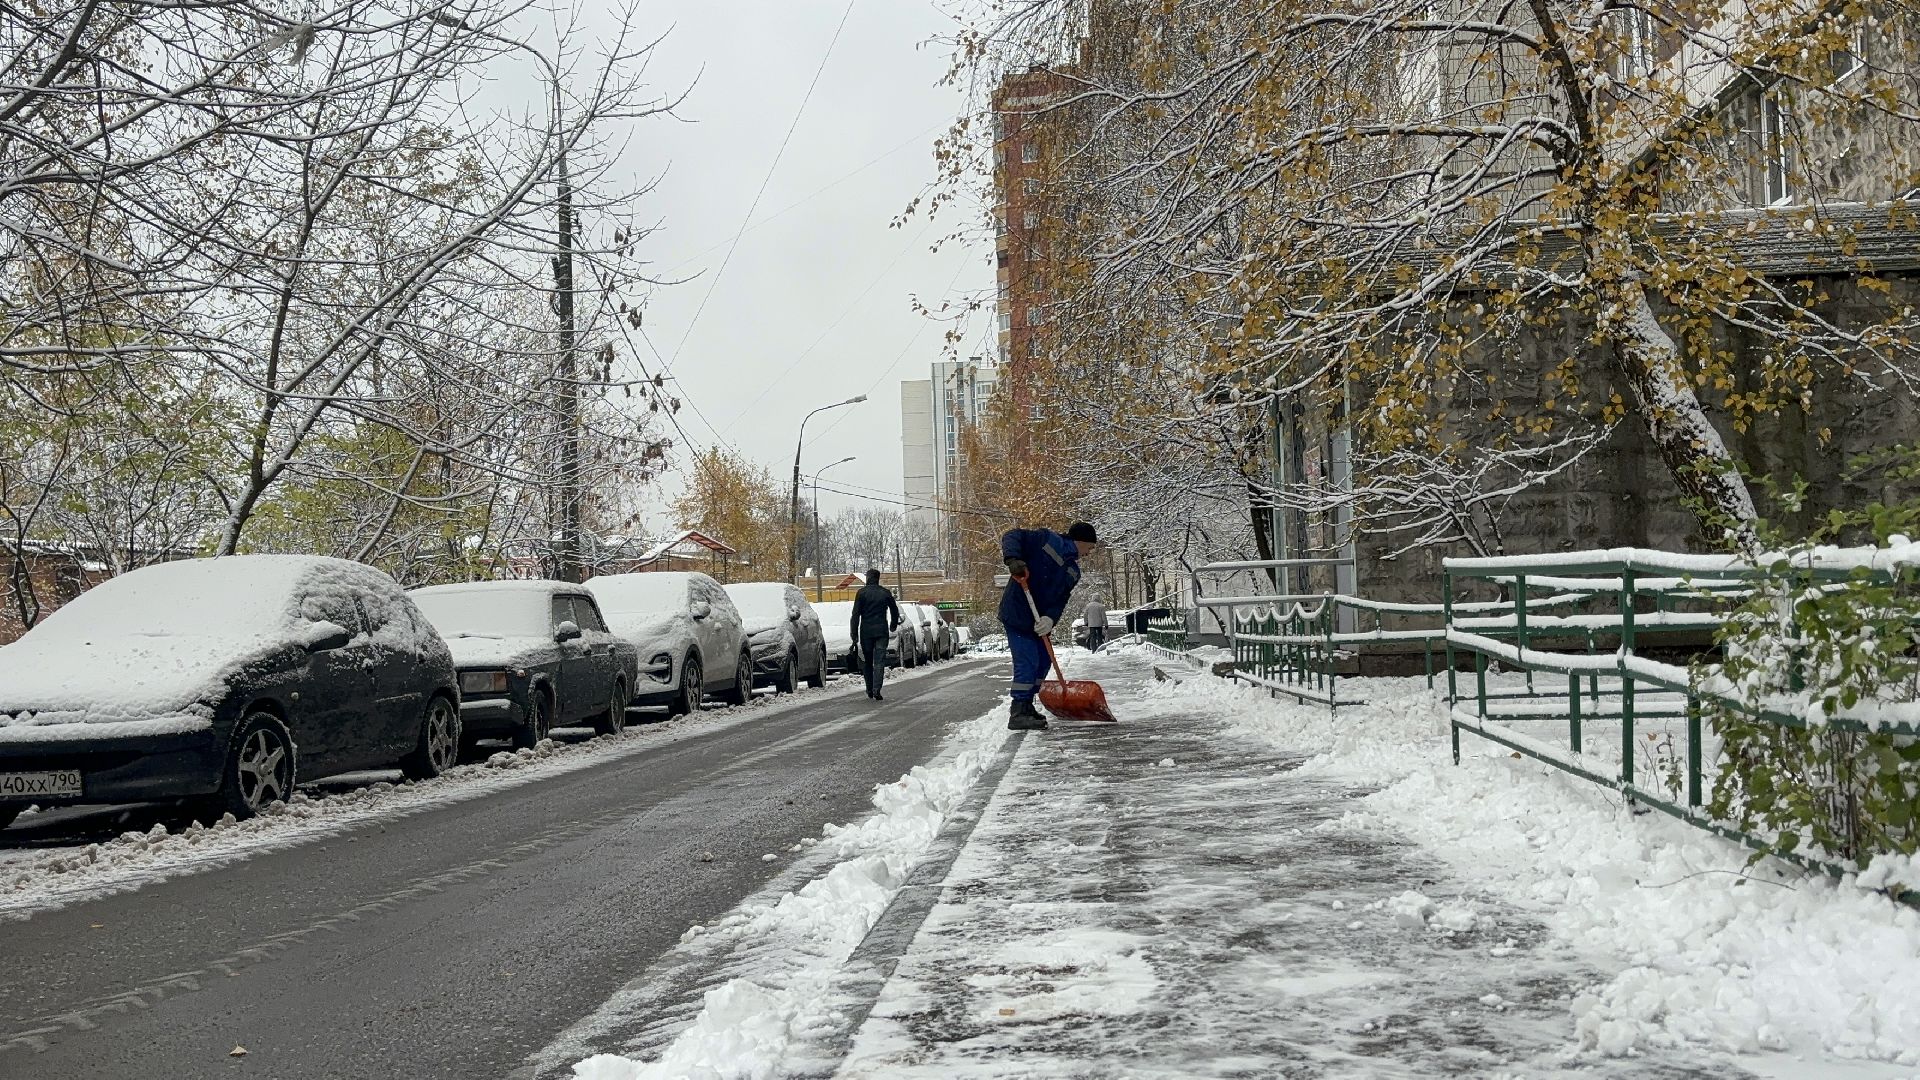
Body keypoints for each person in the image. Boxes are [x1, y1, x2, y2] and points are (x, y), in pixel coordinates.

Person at [1000, 521, 1100, 730]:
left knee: (1043, 661)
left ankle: (1027, 705)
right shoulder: (1046, 540)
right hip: (1018, 613)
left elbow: (1060, 600)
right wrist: (1013, 559)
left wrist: (1050, 619)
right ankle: (1017, 711)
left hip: (1039, 622)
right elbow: (1012, 535)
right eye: (1090, 547)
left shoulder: (1073, 571)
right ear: (1080, 541)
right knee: (1028, 660)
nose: (1089, 553)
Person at [849, 568, 901, 701]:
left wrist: (854, 634)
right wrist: (893, 624)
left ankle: (869, 689)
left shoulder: (861, 593)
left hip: (866, 632)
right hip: (881, 632)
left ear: (868, 578)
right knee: (879, 661)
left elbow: (855, 615)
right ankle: (877, 688)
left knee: (867, 661)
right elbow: (894, 610)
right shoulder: (885, 593)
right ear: (878, 578)